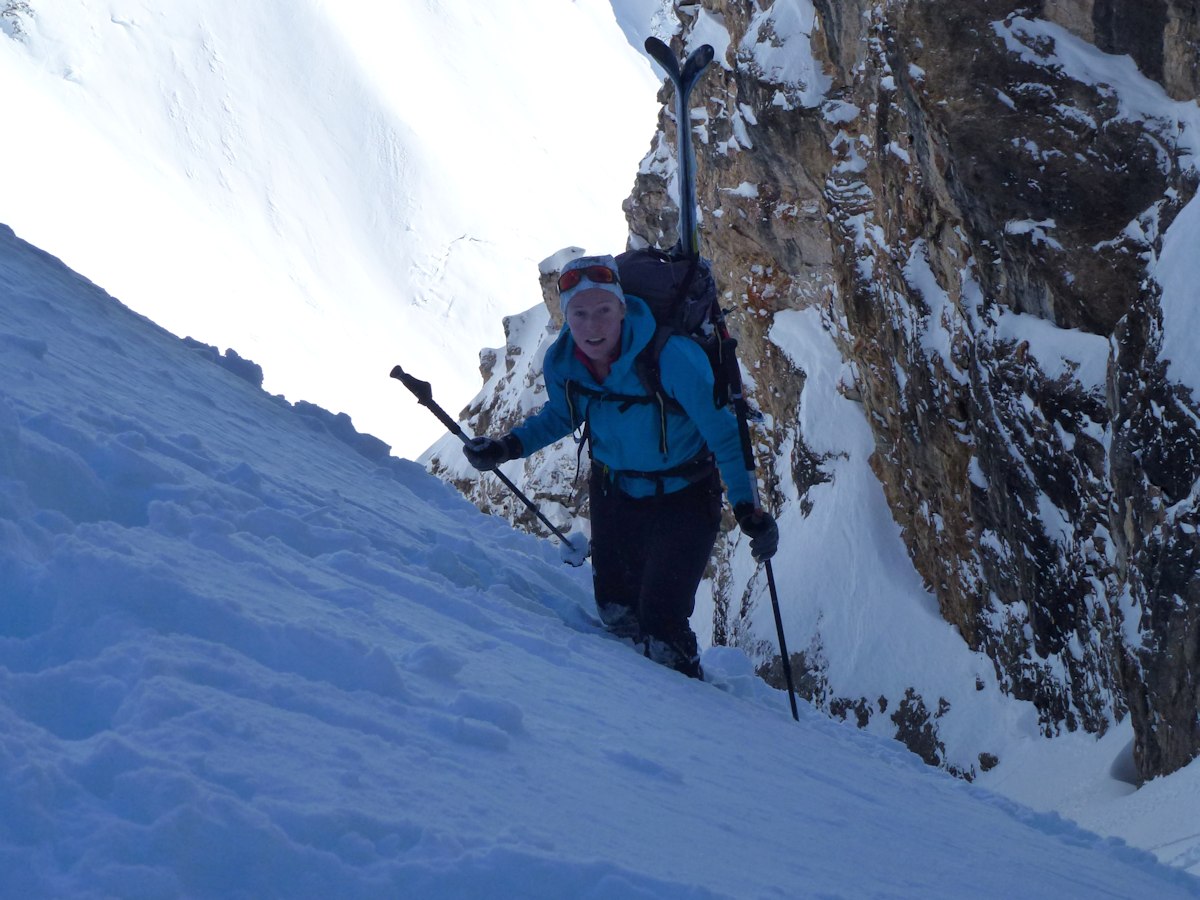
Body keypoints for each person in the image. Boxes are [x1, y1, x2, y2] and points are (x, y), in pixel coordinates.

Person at [462, 253, 778, 679]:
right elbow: (562, 416)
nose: (592, 326)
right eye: (580, 314)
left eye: (603, 311)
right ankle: (627, 702)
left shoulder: (672, 357)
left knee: (663, 626)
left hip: (684, 497)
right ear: (566, 318)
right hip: (614, 494)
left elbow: (724, 432)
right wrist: (505, 448)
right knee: (616, 614)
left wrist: (746, 508)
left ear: (623, 308)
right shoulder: (564, 363)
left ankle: (689, 709)